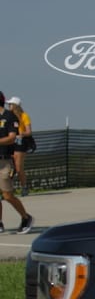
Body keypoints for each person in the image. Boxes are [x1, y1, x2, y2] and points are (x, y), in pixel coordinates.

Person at [0, 95, 34, 233]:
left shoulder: (9, 116)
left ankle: (26, 218)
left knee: (8, 195)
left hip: (5, 161)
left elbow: (12, 137)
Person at [7, 97, 32, 196]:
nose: (9, 106)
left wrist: (20, 134)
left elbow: (29, 132)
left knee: (18, 167)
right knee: (9, 168)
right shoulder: (8, 116)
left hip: (21, 142)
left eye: (10, 104)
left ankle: (24, 187)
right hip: (10, 142)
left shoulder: (24, 116)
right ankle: (7, 190)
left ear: (15, 106)